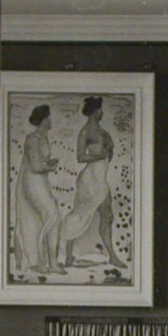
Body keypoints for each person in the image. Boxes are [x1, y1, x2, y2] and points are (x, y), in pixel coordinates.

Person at [58, 95, 126, 269]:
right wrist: (101, 154)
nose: (102, 113)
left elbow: (108, 157)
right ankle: (68, 254)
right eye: (100, 110)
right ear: (95, 111)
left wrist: (110, 149)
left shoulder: (103, 132)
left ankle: (112, 256)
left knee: (107, 215)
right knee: (80, 214)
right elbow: (80, 157)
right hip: (89, 180)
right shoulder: (85, 131)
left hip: (100, 178)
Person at [14, 103, 63, 275]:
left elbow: (40, 162)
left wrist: (48, 164)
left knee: (51, 218)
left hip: (41, 181)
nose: (51, 120)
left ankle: (51, 262)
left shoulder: (43, 137)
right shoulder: (32, 138)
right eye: (48, 117)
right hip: (32, 182)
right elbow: (35, 166)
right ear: (43, 120)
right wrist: (49, 167)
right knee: (52, 216)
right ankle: (46, 262)